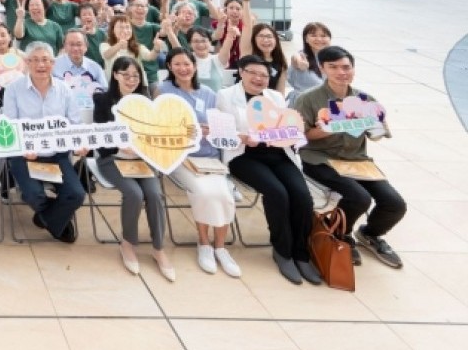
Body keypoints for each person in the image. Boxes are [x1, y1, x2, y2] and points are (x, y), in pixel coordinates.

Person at [295, 46, 406, 268]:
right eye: (333, 67)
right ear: (322, 69)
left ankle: (370, 233)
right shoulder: (308, 100)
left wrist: (378, 126)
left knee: (395, 203)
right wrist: (326, 129)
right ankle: (340, 233)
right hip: (320, 158)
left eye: (346, 67)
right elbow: (300, 138)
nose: (341, 72)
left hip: (357, 161)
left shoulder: (365, 100)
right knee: (359, 197)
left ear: (353, 69)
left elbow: (376, 136)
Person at [216, 55, 320, 286]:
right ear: (241, 72)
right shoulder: (226, 96)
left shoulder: (275, 97)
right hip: (244, 156)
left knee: (302, 196)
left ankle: (301, 254)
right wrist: (243, 137)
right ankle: (283, 252)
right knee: (277, 193)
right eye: (253, 73)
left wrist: (294, 134)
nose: (259, 79)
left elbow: (286, 128)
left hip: (279, 154)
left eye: (264, 75)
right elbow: (221, 134)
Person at [159, 50, 240, 277]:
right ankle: (204, 243)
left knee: (224, 194)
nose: (183, 69)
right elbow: (160, 127)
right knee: (204, 192)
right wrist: (188, 131)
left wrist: (213, 130)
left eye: (187, 64)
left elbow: (221, 128)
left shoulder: (208, 93)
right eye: (177, 64)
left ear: (194, 66)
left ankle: (221, 247)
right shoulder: (164, 91)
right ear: (169, 67)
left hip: (209, 157)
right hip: (181, 156)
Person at [93, 57, 174, 280]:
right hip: (113, 160)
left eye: (135, 76)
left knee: (155, 194)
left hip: (142, 160)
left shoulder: (145, 102)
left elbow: (154, 134)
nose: (131, 80)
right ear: (115, 75)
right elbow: (99, 136)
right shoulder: (102, 100)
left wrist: (144, 148)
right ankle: (128, 243)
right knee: (134, 194)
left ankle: (158, 248)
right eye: (126, 75)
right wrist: (118, 145)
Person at [3, 42, 86, 243]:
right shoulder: (13, 90)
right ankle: (57, 219)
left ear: (53, 63)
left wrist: (79, 143)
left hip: (56, 154)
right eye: (36, 60)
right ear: (27, 62)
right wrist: (24, 147)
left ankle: (46, 218)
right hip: (25, 155)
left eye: (46, 60)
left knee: (77, 194)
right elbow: (9, 125)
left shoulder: (64, 90)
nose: (41, 64)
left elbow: (75, 123)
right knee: (34, 195)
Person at [287, 21, 331, 96]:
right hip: (303, 103)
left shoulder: (332, 59)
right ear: (306, 39)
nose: (319, 39)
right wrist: (298, 62)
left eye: (323, 36)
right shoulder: (302, 57)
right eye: (314, 36)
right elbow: (296, 58)